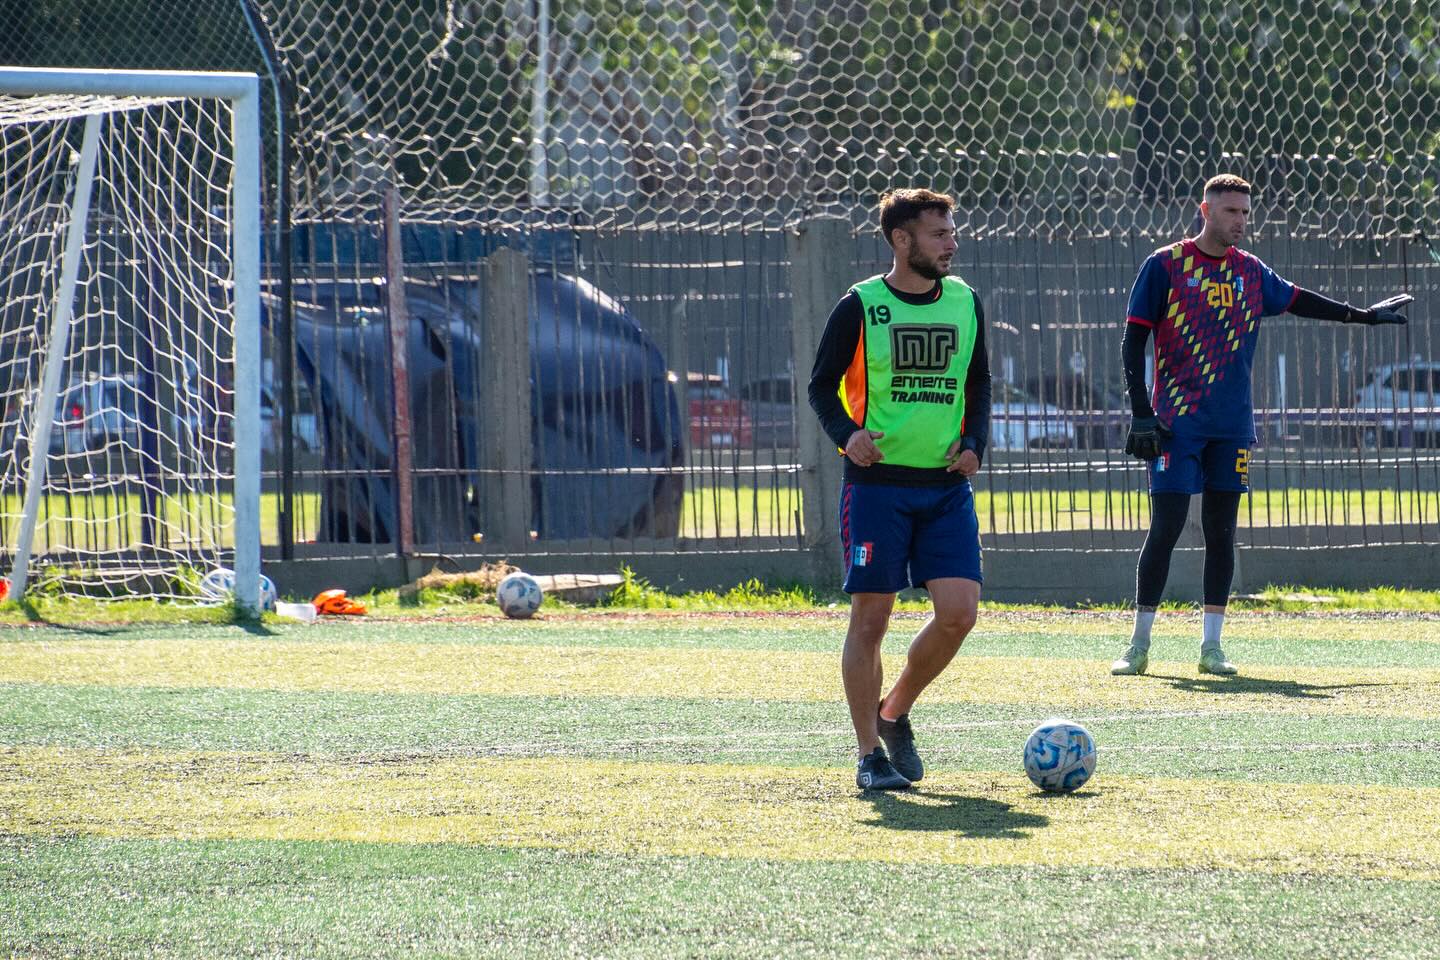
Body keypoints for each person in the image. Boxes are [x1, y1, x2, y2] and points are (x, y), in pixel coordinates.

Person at [1112, 173, 1411, 677]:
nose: (1241, 221)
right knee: (1164, 528)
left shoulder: (1251, 272)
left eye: (1246, 212)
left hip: (1231, 427)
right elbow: (1132, 340)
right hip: (1176, 426)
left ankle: (1212, 647)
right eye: (1231, 211)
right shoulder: (1165, 265)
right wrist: (1141, 411)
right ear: (1204, 211)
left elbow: (1301, 301)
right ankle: (1138, 645)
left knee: (1221, 532)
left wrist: (1364, 316)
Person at [808, 188, 992, 790]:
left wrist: (975, 444)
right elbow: (821, 386)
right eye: (939, 233)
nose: (951, 243)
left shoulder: (965, 301)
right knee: (871, 621)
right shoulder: (861, 305)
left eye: (951, 232)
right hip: (877, 489)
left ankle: (895, 712)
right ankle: (869, 756)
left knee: (959, 615)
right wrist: (846, 433)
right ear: (902, 240)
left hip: (943, 488)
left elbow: (979, 383)